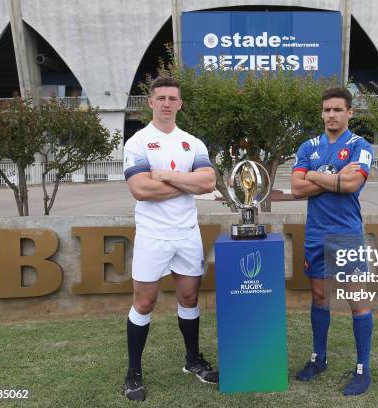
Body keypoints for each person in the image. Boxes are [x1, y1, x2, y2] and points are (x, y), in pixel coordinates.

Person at [122, 76, 218, 401]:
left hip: (186, 233)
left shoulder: (193, 143)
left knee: (189, 298)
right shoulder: (137, 143)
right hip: (153, 235)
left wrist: (164, 175)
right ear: (150, 102)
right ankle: (133, 371)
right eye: (160, 97)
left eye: (172, 98)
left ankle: (192, 361)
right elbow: (141, 189)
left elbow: (207, 182)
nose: (166, 103)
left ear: (180, 103)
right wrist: (185, 182)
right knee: (144, 302)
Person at [291, 87, 374, 396]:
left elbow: (352, 184)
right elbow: (297, 189)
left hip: (346, 235)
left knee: (357, 300)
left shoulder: (359, 145)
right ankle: (319, 357)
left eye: (338, 109)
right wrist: (334, 179)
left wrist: (314, 175)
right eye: (327, 109)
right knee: (319, 298)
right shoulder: (308, 146)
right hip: (315, 234)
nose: (331, 115)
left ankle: (363, 368)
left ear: (350, 112)